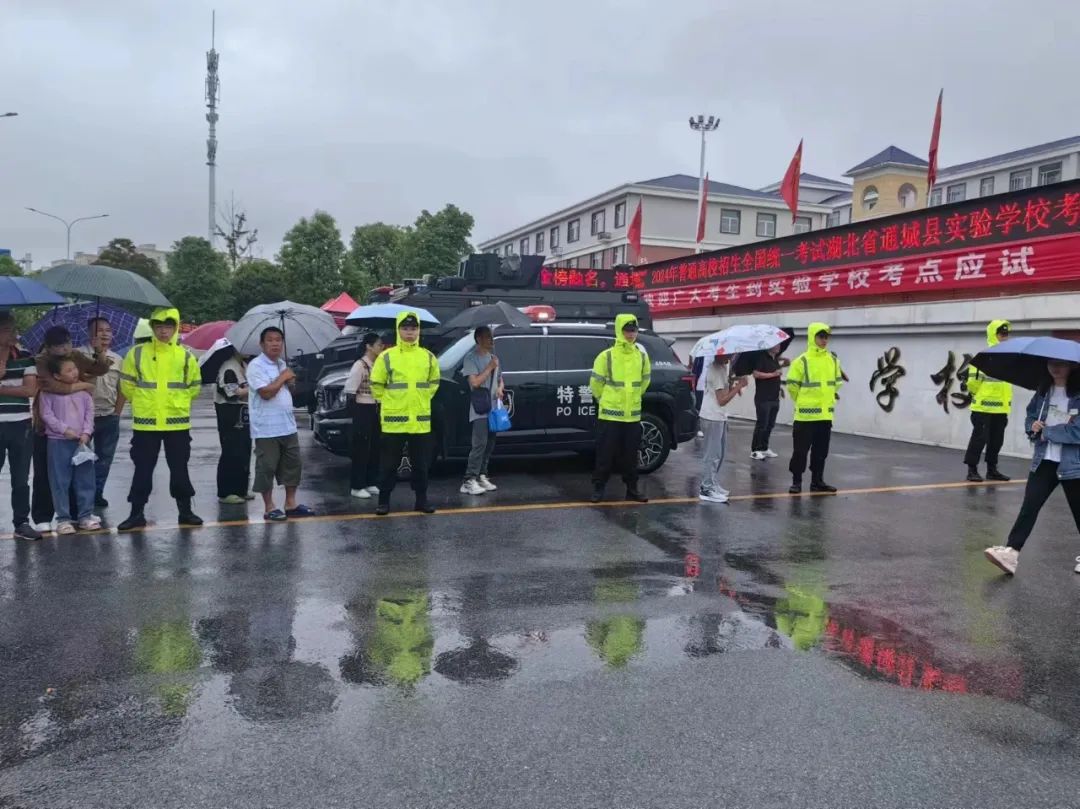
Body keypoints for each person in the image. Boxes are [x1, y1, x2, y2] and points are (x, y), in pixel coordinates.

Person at [984, 359, 1080, 576]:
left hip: (1074, 463)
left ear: (1073, 366)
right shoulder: (1043, 392)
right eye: (1051, 363)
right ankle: (1011, 552)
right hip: (1044, 460)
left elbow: (1077, 432)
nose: (1055, 367)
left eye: (1061, 363)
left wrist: (1047, 432)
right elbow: (1031, 417)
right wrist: (1033, 427)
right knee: (1029, 506)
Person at [117, 308, 203, 531]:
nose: (163, 331)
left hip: (177, 423)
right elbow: (126, 385)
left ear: (175, 328)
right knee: (143, 470)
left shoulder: (185, 355)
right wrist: (143, 401)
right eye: (159, 326)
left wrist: (177, 402)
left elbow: (194, 386)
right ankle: (136, 513)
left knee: (180, 469)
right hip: (146, 422)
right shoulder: (136, 353)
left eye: (168, 326)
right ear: (152, 328)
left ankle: (185, 511)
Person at [32, 325, 111, 530]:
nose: (65, 349)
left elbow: (100, 369)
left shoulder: (75, 355)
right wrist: (83, 386)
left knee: (82, 475)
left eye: (67, 343)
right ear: (49, 347)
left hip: (79, 431)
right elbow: (52, 386)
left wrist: (99, 351)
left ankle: (80, 514)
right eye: (59, 346)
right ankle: (47, 517)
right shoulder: (41, 361)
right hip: (50, 430)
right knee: (49, 475)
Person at [370, 311, 440, 516]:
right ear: (398, 330)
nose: (410, 332)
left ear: (419, 331)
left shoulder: (427, 357)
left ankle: (421, 500)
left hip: (420, 421)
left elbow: (434, 383)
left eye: (414, 328)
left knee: (421, 465)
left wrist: (421, 399)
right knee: (388, 465)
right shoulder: (387, 356)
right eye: (405, 328)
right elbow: (376, 385)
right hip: (394, 421)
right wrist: (390, 403)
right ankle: (383, 501)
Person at [246, 326, 314, 521]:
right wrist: (283, 377)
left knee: (293, 465)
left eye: (278, 340)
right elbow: (266, 393)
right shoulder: (256, 366)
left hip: (287, 425)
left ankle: (290, 503)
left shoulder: (282, 363)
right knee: (267, 467)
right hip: (266, 428)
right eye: (270, 340)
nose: (275, 344)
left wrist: (290, 383)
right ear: (262, 344)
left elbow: (287, 392)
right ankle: (269, 507)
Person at [589, 314, 650, 504]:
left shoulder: (641, 356)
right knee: (605, 455)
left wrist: (633, 398)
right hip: (610, 415)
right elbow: (595, 384)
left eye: (634, 330)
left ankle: (632, 489)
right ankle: (598, 488)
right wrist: (605, 401)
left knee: (631, 456)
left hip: (632, 416)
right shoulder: (606, 356)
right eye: (627, 330)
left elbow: (645, 381)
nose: (631, 334)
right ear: (619, 331)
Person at [38, 356, 99, 534]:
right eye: (69, 370)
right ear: (57, 376)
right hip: (58, 441)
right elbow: (47, 415)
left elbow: (89, 414)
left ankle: (85, 516)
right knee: (60, 481)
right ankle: (63, 519)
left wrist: (87, 432)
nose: (74, 373)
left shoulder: (84, 393)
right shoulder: (47, 393)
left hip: (82, 442)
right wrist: (64, 430)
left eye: (75, 369)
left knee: (85, 479)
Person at [786, 323, 844, 495]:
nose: (824, 340)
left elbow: (837, 383)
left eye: (826, 337)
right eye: (820, 336)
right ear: (812, 337)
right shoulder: (802, 361)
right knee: (800, 452)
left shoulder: (833, 360)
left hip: (825, 416)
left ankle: (817, 481)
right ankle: (796, 481)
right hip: (805, 417)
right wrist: (803, 402)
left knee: (821, 452)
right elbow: (792, 386)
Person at [0, 311, 41, 540]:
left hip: (21, 424)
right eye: (6, 329)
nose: (12, 334)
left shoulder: (25, 355)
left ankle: (22, 522)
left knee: (21, 477)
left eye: (13, 329)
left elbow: (30, 390)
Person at [77, 317, 125, 508]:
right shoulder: (78, 355)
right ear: (89, 333)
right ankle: (82, 495)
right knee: (83, 458)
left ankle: (98, 492)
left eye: (108, 330)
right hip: (83, 417)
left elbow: (122, 389)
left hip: (108, 415)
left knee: (105, 459)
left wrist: (117, 413)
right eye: (99, 330)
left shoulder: (118, 359)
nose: (104, 334)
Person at [965, 320, 1013, 482]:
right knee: (979, 440)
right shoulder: (984, 357)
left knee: (996, 441)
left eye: (1006, 334)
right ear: (993, 334)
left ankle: (992, 470)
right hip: (983, 408)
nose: (1005, 337)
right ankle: (972, 470)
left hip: (1001, 409)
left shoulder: (1007, 358)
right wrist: (980, 395)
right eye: (1002, 334)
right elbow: (972, 383)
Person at [698, 351, 748, 504]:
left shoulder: (721, 368)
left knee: (719, 453)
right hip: (712, 416)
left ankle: (712, 483)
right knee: (712, 455)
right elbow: (722, 400)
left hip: (719, 416)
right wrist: (739, 386)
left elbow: (723, 391)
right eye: (729, 354)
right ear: (720, 354)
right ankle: (707, 488)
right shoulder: (716, 370)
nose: (732, 357)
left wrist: (732, 382)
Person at [460, 325, 504, 496]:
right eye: (488, 337)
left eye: (491, 336)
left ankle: (482, 475)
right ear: (479, 339)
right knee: (479, 444)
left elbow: (500, 379)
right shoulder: (470, 358)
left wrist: (500, 388)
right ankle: (469, 479)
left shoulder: (494, 358)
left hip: (493, 407)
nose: (491, 340)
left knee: (490, 444)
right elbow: (475, 382)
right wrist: (490, 367)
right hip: (480, 407)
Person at [345, 332, 384, 499]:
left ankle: (371, 482)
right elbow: (350, 391)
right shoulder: (360, 365)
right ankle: (357, 485)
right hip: (362, 409)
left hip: (376, 408)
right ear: (369, 346)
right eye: (379, 345)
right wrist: (356, 415)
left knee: (375, 447)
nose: (381, 348)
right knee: (361, 449)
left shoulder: (377, 364)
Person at [214, 346, 252, 504]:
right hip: (229, 414)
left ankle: (241, 489)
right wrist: (254, 388)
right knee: (231, 451)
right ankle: (226, 492)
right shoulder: (228, 367)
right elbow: (232, 394)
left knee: (245, 450)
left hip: (244, 414)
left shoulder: (245, 366)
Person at [751, 344, 789, 460]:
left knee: (770, 425)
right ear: (769, 345)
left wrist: (783, 364)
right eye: (776, 344)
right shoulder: (761, 358)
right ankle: (755, 450)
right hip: (763, 397)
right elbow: (756, 374)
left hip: (774, 397)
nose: (779, 346)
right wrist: (773, 374)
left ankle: (764, 448)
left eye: (779, 344)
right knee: (762, 424)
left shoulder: (775, 359)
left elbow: (776, 371)